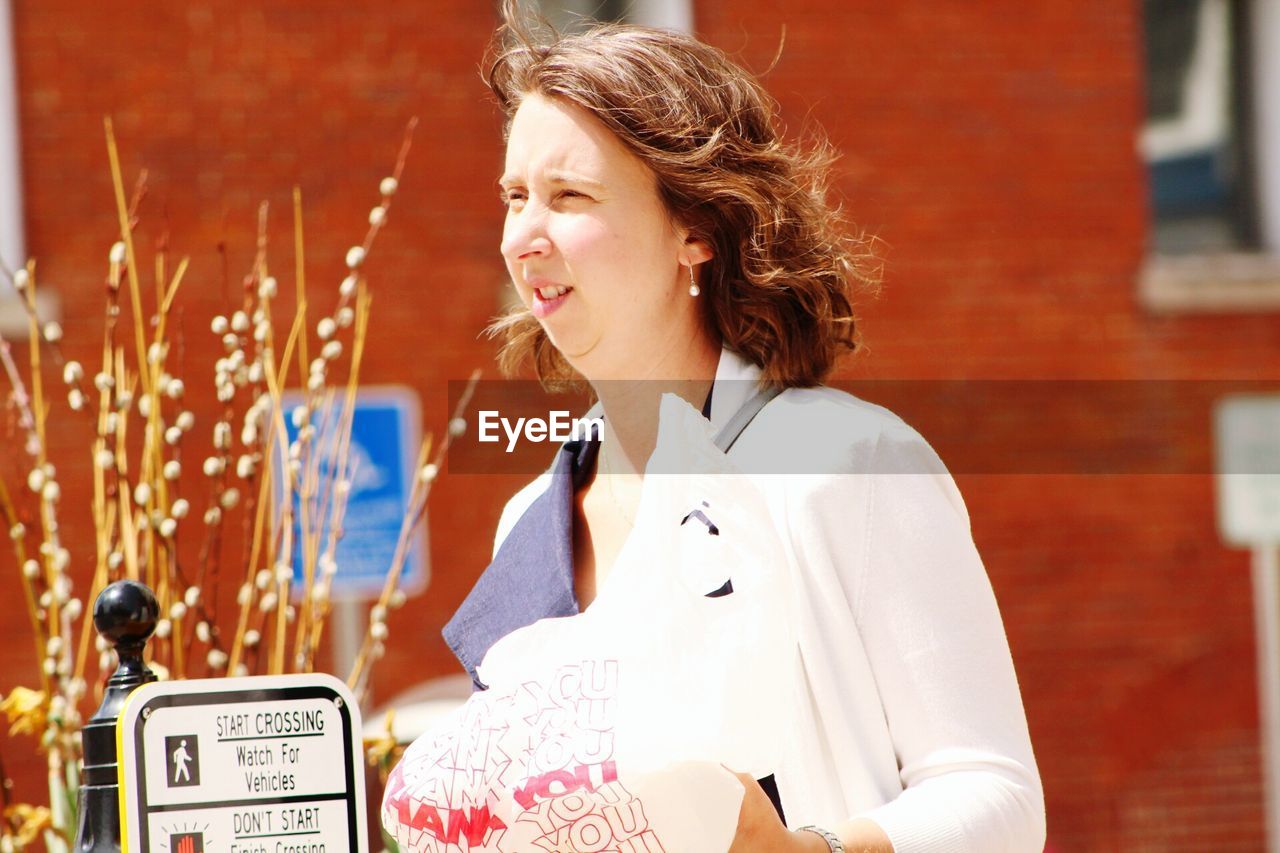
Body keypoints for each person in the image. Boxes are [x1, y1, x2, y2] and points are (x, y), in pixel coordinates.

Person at [438, 5, 1046, 851]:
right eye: (514, 197)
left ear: (695, 229)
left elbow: (999, 796)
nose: (524, 237)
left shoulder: (849, 464)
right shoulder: (528, 524)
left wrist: (807, 850)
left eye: (568, 195)